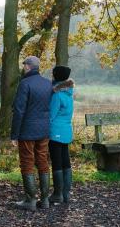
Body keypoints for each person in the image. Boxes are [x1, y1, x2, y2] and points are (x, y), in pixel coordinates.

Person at [11, 56, 53, 211]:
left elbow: (19, 110)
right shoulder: (48, 83)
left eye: (24, 66)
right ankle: (46, 200)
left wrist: (14, 134)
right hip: (44, 130)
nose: (23, 68)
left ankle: (30, 200)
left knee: (27, 162)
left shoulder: (24, 84)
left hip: (27, 131)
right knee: (42, 161)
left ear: (28, 67)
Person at [48, 66, 74, 204]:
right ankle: (66, 193)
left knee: (57, 162)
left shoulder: (57, 95)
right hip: (66, 131)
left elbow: (51, 115)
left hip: (55, 132)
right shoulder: (69, 92)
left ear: (56, 76)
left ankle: (58, 194)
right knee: (65, 161)